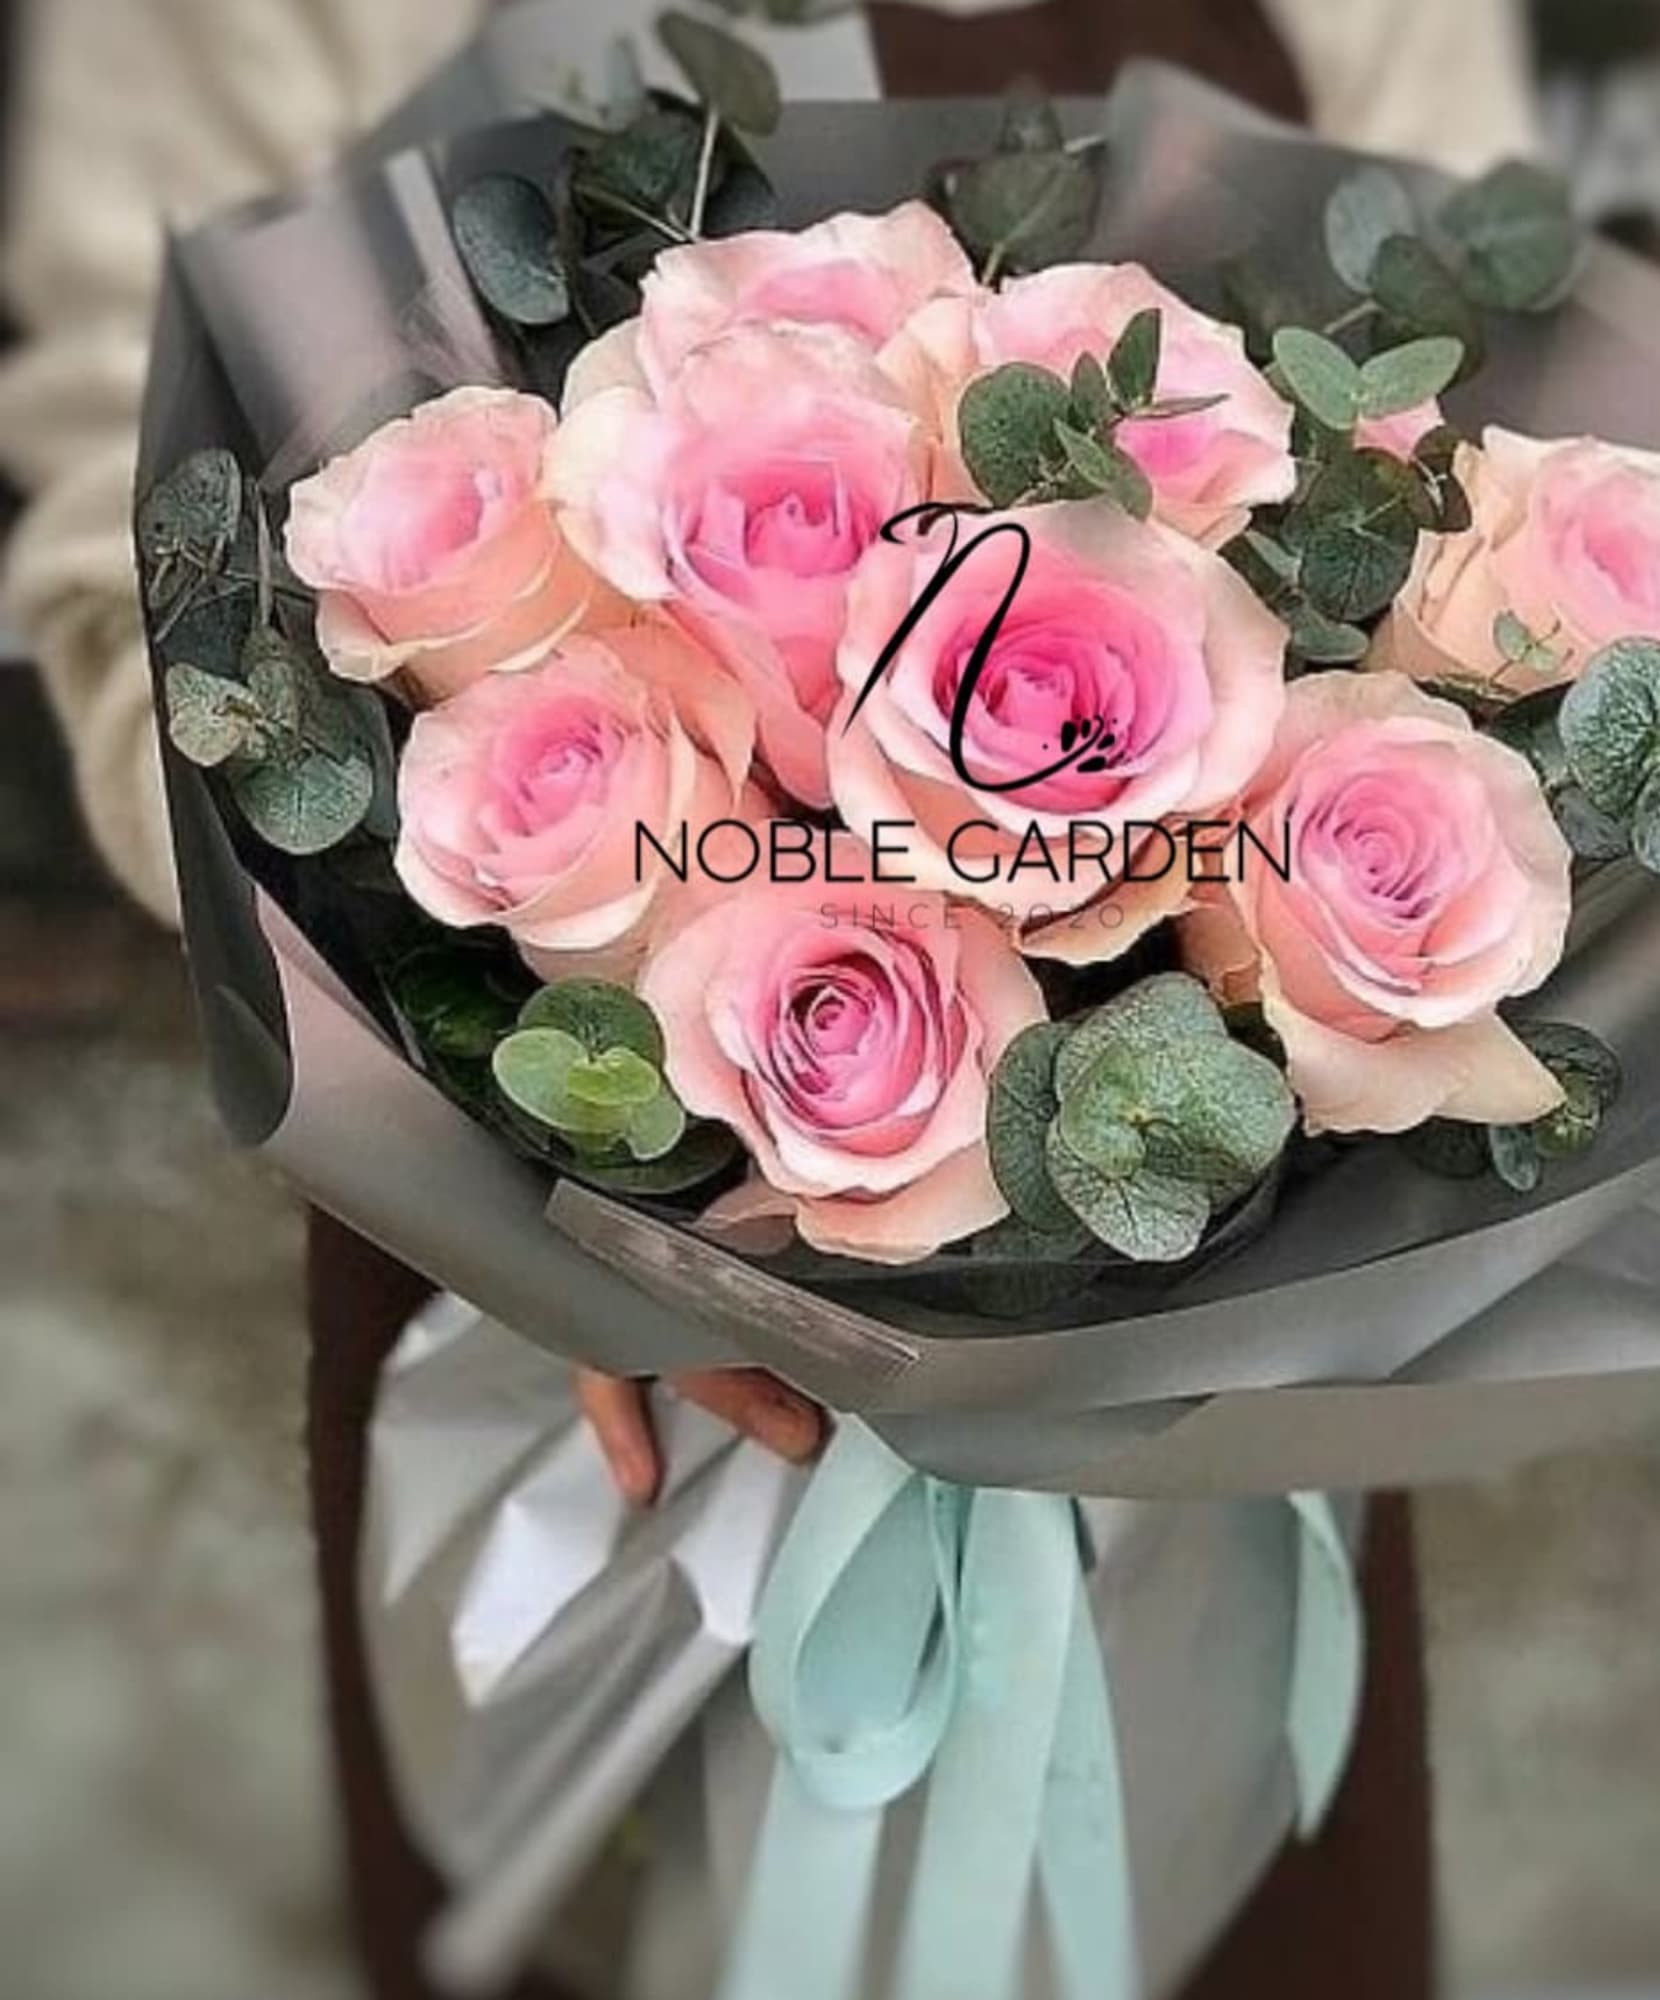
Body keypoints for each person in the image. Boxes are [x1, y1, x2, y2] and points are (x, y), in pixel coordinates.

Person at [0, 0, 1538, 1492]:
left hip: (1232, 1342)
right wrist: (534, 1203)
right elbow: (123, 561)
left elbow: (1483, 400)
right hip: (538, 1315)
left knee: (1225, 1746)